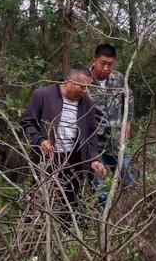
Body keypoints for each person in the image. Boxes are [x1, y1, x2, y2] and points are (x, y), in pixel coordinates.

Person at [21, 64, 106, 208]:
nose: (86, 91)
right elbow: (28, 123)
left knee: (70, 205)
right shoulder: (42, 95)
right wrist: (41, 141)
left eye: (88, 87)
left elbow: (92, 134)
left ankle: (67, 229)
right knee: (42, 202)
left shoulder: (88, 104)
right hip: (47, 160)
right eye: (82, 86)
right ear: (68, 81)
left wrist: (94, 159)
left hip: (75, 162)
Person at [88, 44, 135, 201]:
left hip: (116, 140)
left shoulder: (118, 78)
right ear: (94, 60)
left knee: (128, 178)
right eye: (102, 63)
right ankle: (100, 217)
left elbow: (129, 98)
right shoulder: (84, 80)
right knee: (98, 186)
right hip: (95, 144)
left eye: (110, 64)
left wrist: (128, 122)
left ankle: (129, 209)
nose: (106, 68)